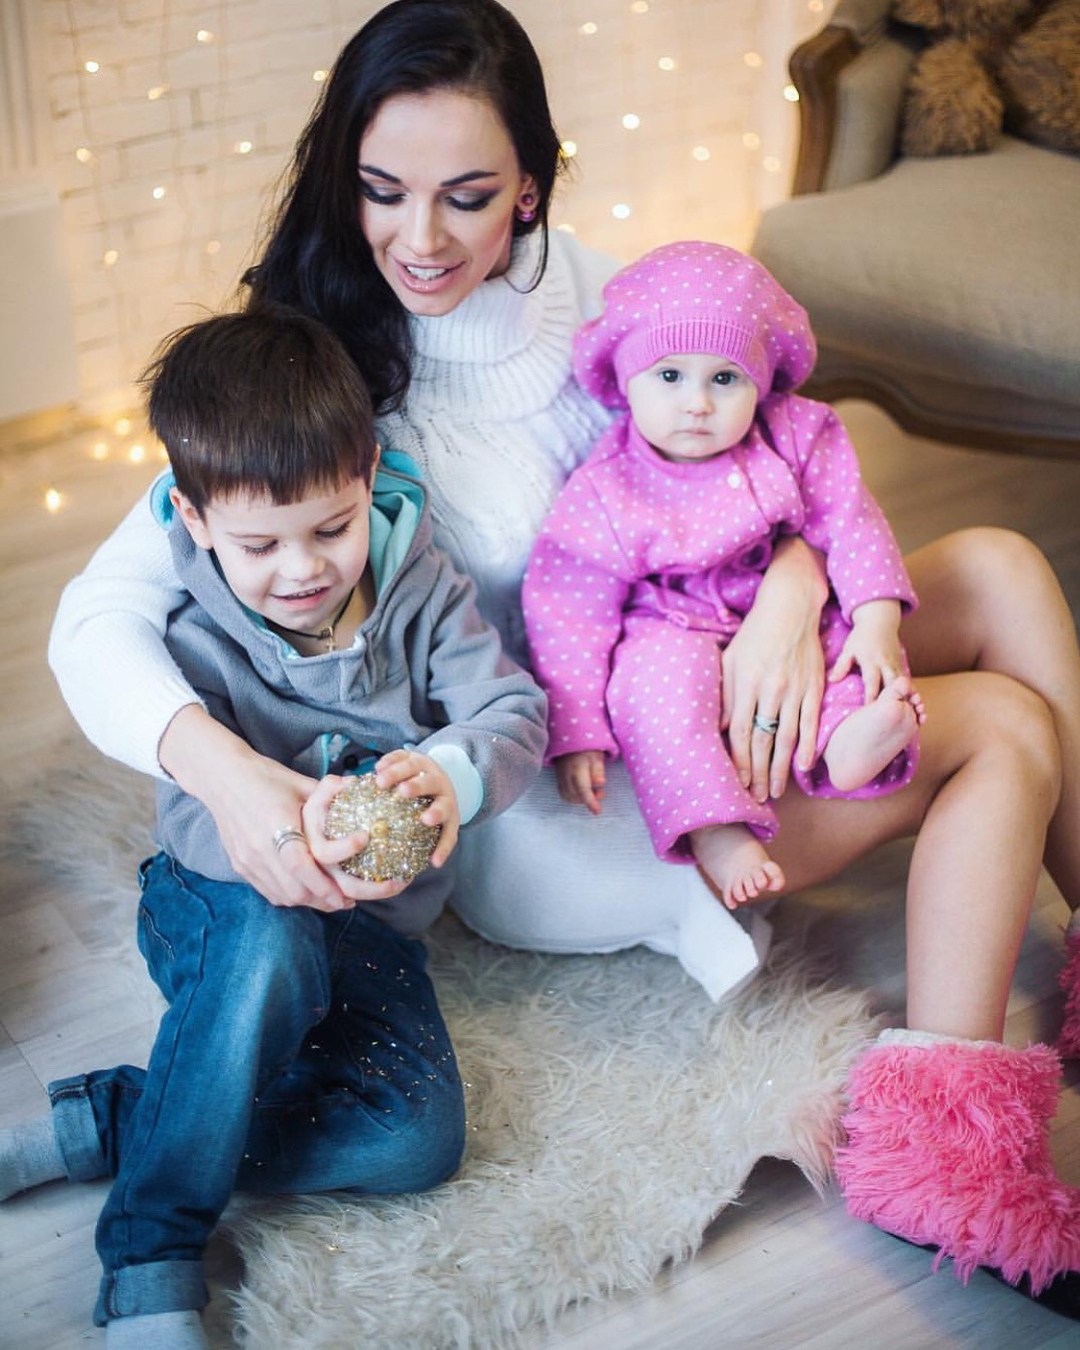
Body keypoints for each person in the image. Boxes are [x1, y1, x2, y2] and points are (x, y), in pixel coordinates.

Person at [43, 0, 1080, 1317]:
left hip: (704, 640)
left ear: (531, 185)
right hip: (564, 782)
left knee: (1001, 565)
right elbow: (96, 622)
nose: (422, 239)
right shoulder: (316, 375)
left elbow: (759, 435)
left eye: (469, 196)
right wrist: (225, 771)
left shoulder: (588, 288)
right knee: (1003, 731)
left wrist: (797, 588)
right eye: (381, 191)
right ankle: (942, 1155)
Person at [4, 305, 547, 1349]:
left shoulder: (420, 586)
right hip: (222, 904)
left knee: (414, 1143)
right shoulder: (192, 636)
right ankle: (152, 1257)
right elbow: (193, 818)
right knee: (268, 942)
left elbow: (512, 711)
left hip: (372, 932)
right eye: (260, 544)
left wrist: (454, 776)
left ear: (369, 475)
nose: (302, 569)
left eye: (332, 529)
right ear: (194, 519)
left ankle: (110, 1121)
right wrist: (288, 844)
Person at [523, 240, 926, 908]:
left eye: (724, 379)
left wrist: (877, 619)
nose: (697, 404)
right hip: (670, 622)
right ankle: (714, 828)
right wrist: (576, 729)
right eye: (670, 375)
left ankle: (852, 740)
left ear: (762, 383)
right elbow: (568, 613)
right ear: (625, 379)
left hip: (775, 600)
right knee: (651, 689)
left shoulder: (795, 432)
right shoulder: (607, 487)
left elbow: (852, 520)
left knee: (842, 653)